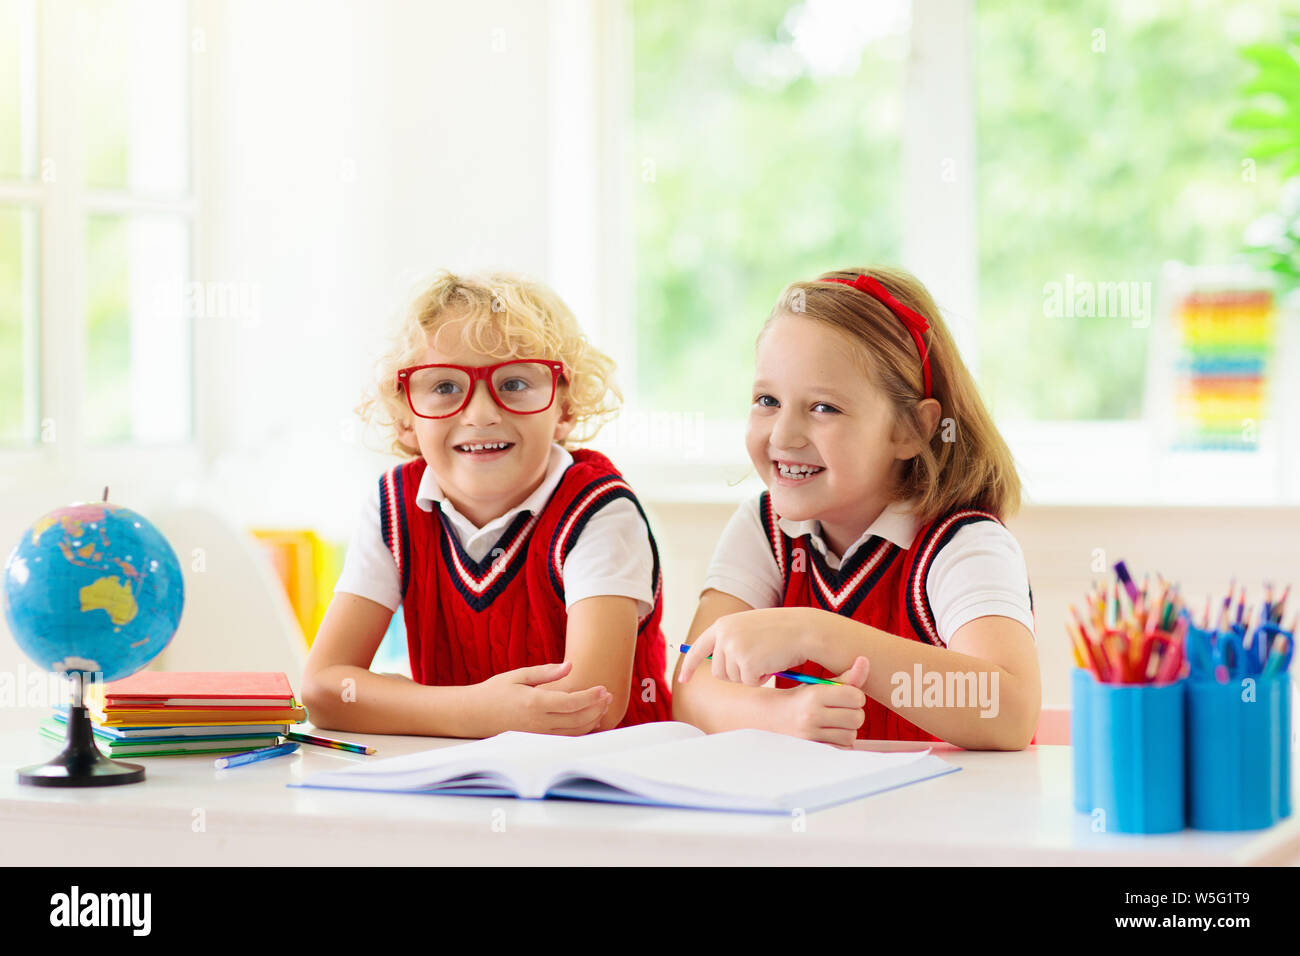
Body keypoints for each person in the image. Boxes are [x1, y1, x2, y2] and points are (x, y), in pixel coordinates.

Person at [673, 267, 1039, 749]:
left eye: (824, 408)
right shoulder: (764, 529)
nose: (784, 435)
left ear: (910, 428)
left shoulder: (962, 542)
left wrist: (816, 633)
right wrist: (777, 716)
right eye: (768, 400)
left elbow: (1008, 711)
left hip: (943, 820)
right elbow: (689, 684)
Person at [303, 271, 670, 736]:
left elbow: (591, 703)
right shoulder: (393, 506)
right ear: (404, 419)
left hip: (606, 785)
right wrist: (478, 710)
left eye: (515, 384)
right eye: (444, 387)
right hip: (467, 783)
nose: (481, 414)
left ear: (565, 407)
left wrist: (417, 706)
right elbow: (323, 689)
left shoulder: (600, 510)